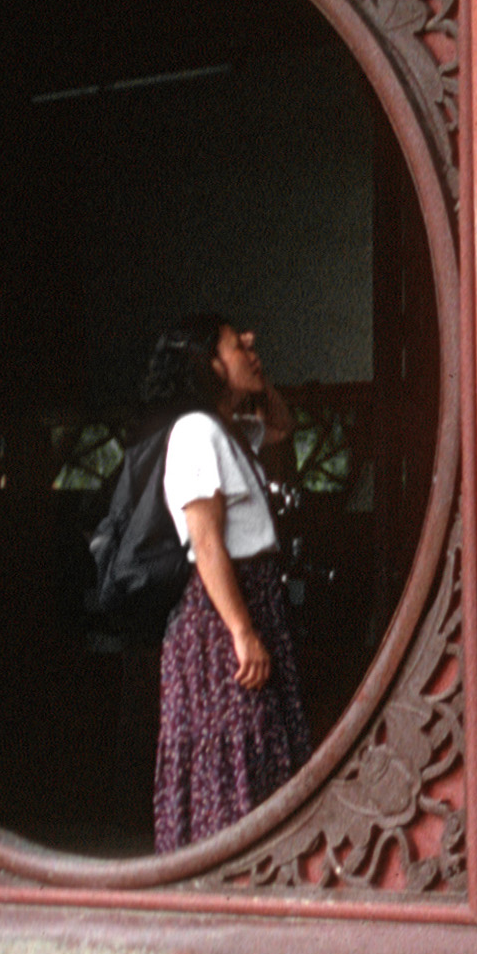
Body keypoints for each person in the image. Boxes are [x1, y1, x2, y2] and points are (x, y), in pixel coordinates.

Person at [140, 309, 311, 850]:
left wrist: (255, 371)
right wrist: (240, 629)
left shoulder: (229, 430)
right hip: (222, 617)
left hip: (253, 601)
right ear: (208, 365)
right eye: (238, 345)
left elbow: (283, 425)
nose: (251, 347)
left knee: (261, 743)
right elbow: (207, 541)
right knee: (232, 744)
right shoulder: (195, 433)